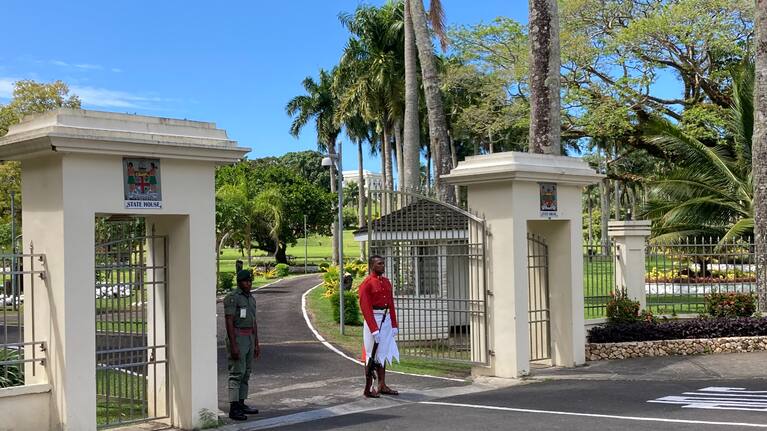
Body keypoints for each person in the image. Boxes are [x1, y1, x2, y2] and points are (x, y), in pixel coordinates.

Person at [358, 255, 400, 398]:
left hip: (385, 319)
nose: (382, 266)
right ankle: (368, 388)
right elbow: (365, 308)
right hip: (374, 320)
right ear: (372, 266)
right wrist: (374, 329)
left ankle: (382, 385)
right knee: (371, 354)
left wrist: (394, 324)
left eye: (383, 263)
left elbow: (391, 305)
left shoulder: (387, 282)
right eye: (379, 264)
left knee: (383, 353)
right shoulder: (367, 284)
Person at [223, 269, 261, 420]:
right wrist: (233, 345)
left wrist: (257, 343)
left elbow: (254, 322)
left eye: (250, 281)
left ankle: (241, 403)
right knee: (236, 373)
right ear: (239, 282)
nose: (249, 284)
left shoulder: (251, 298)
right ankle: (234, 408)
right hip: (238, 337)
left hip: (249, 337)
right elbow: (229, 321)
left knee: (246, 373)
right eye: (246, 281)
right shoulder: (233, 298)